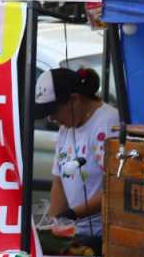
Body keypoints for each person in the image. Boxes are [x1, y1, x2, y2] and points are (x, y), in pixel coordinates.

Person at [36, 68, 118, 241]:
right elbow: (59, 181)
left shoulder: (108, 124)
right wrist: (52, 225)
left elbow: (116, 187)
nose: (51, 119)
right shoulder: (66, 128)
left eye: (53, 111)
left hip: (105, 235)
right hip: (77, 233)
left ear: (74, 100)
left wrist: (73, 214)